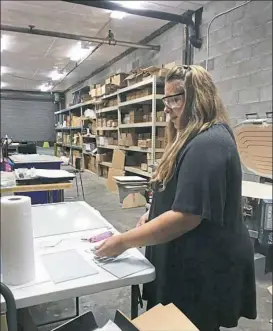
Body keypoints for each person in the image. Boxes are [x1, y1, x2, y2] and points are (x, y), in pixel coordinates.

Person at [95, 65, 257, 331]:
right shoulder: (193, 137)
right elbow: (183, 193)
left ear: (199, 97)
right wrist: (154, 212)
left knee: (192, 324)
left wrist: (123, 242)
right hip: (189, 256)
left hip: (205, 265)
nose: (167, 107)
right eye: (165, 99)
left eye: (175, 99)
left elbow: (187, 216)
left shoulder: (209, 142)